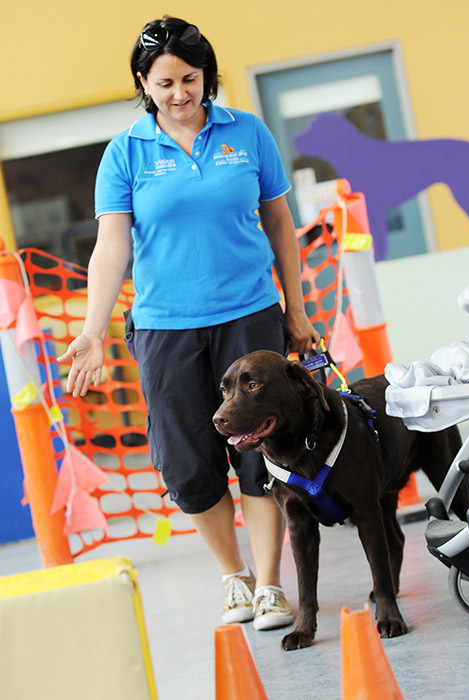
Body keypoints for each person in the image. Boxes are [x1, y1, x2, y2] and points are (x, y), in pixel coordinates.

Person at [57, 15, 320, 630]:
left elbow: (281, 225)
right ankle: (234, 577)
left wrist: (297, 309)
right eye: (165, 82)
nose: (180, 94)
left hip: (250, 316)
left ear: (209, 77)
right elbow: (111, 249)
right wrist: (94, 329)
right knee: (188, 461)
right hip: (165, 328)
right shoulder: (125, 153)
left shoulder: (248, 134)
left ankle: (272, 586)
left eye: (191, 79)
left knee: (263, 453)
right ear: (143, 84)